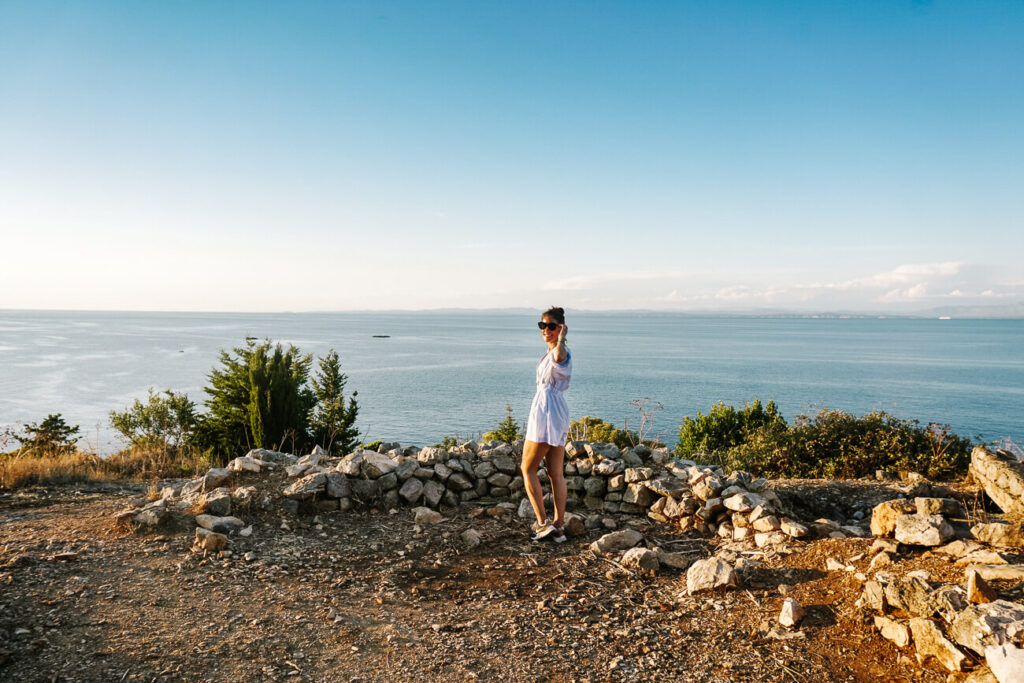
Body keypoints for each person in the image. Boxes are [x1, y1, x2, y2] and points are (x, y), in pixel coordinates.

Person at [521, 306, 572, 542]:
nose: (546, 330)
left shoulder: (559, 352)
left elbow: (559, 357)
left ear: (560, 328)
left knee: (527, 468)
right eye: (543, 325)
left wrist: (560, 340)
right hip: (556, 412)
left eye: (551, 326)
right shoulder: (551, 352)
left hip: (546, 413)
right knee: (555, 473)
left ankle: (543, 523)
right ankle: (559, 526)